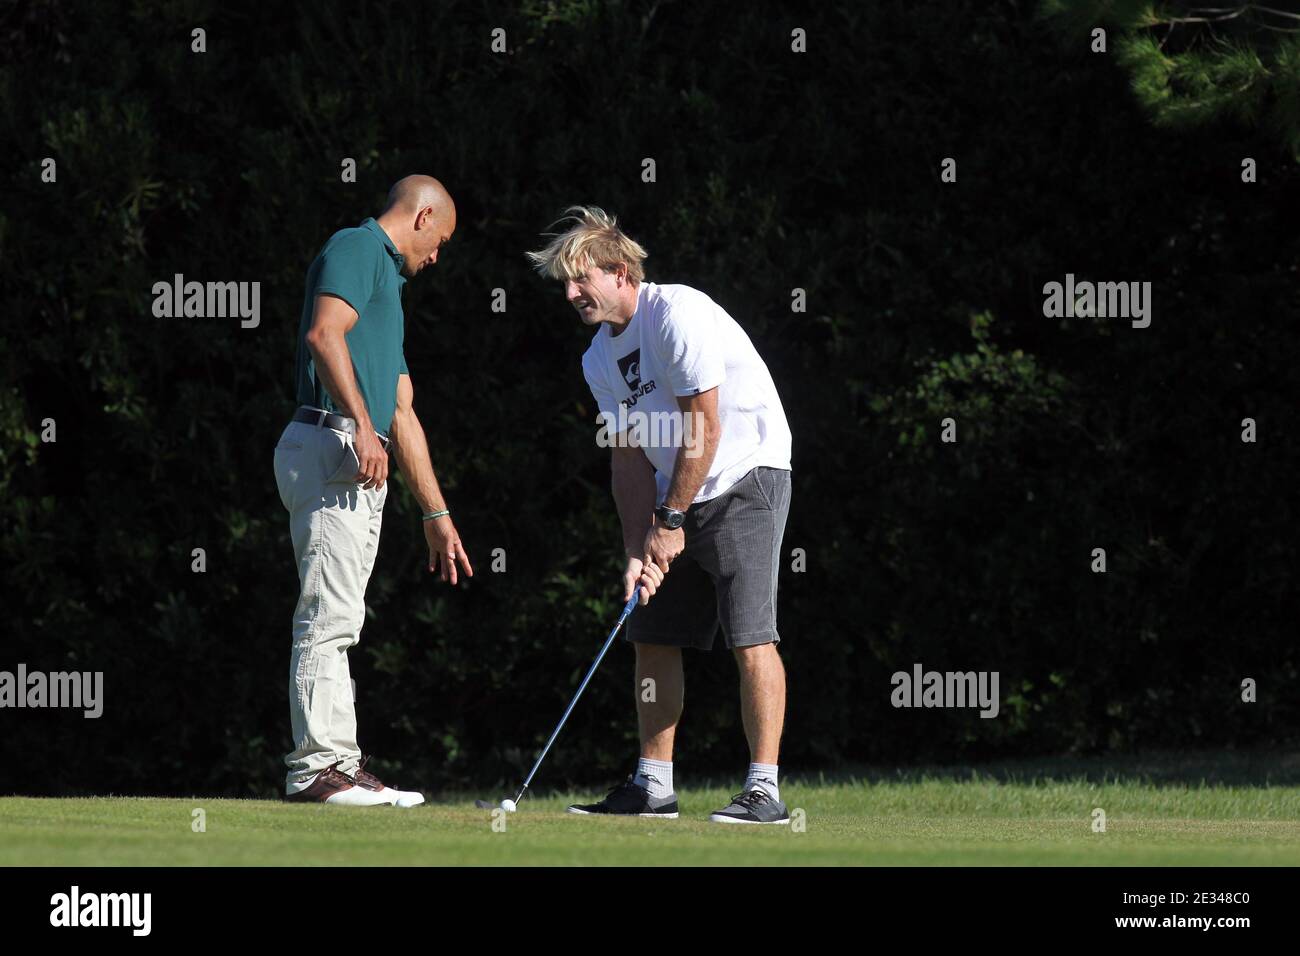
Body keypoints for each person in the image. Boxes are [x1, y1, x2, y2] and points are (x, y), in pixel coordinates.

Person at [526, 207, 794, 824]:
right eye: (564, 284)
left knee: (750, 633)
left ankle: (764, 790)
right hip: (674, 497)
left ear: (620, 272)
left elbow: (705, 422)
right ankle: (653, 786)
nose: (569, 294)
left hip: (744, 476)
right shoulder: (597, 359)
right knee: (651, 635)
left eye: (579, 279)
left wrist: (668, 523)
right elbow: (626, 458)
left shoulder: (676, 314)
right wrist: (635, 548)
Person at [273, 175, 473, 806]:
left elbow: (402, 411)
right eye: (439, 240)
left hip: (350, 449)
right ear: (421, 218)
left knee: (343, 618)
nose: (437, 256)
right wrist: (361, 423)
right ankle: (315, 771)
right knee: (327, 615)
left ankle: (341, 762)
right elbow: (323, 334)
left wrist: (435, 512)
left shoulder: (386, 283)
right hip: (331, 444)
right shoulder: (359, 250)